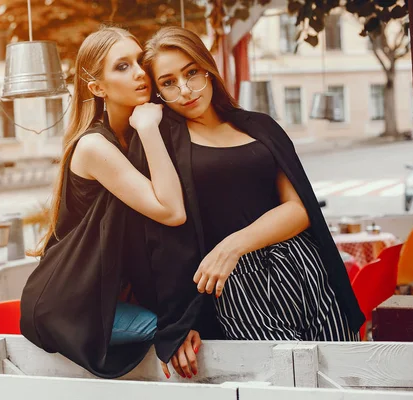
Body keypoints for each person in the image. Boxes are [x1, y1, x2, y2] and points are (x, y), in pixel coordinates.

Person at [124, 26, 365, 379]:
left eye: (192, 73)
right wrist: (179, 321)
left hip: (305, 267)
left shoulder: (259, 127)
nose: (186, 90)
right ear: (158, 92)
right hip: (235, 285)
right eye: (169, 82)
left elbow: (298, 210)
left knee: (345, 376)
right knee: (285, 385)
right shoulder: (163, 143)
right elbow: (160, 240)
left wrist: (233, 245)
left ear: (208, 69)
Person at [20, 26, 189, 378]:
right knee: (176, 332)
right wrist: (147, 128)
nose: (140, 72)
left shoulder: (128, 137)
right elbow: (172, 212)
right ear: (97, 88)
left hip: (102, 297)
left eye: (140, 61)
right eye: (122, 67)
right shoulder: (95, 147)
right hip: (67, 306)